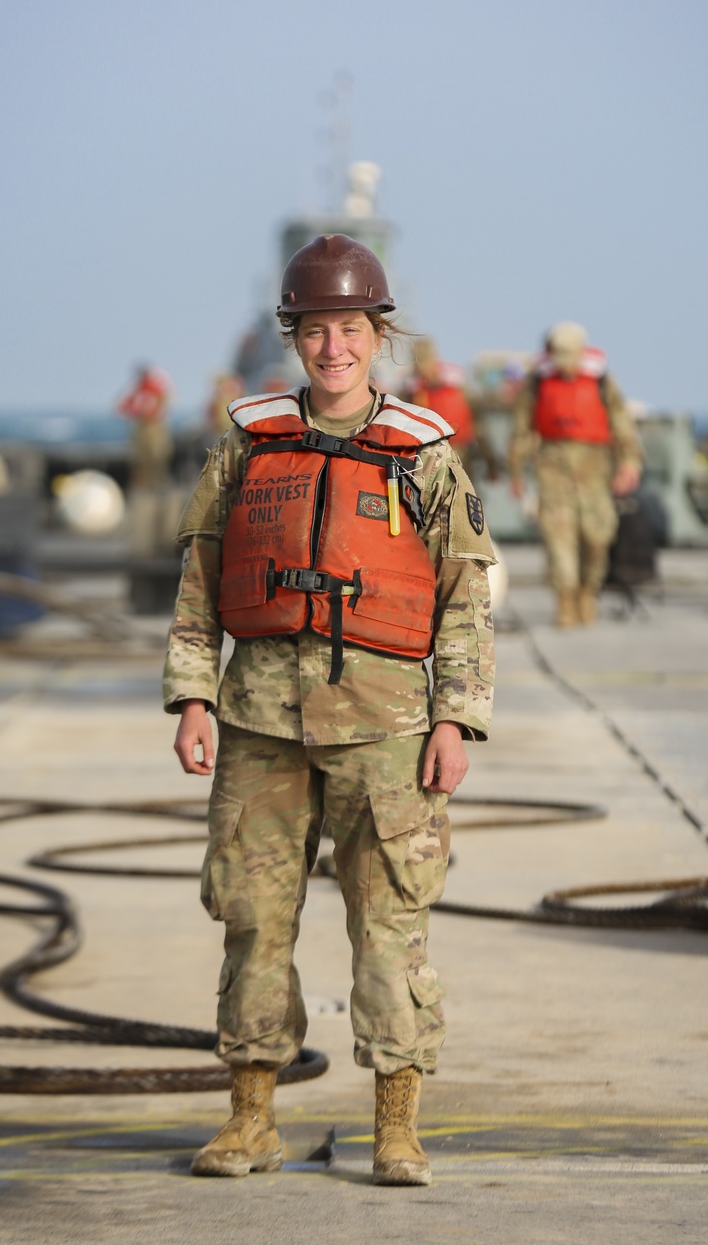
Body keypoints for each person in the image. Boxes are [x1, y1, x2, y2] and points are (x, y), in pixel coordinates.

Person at [164, 233, 495, 1187]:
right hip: (260, 722)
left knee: (391, 924)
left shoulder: (425, 457)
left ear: (377, 336)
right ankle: (251, 1120)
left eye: (350, 328)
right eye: (316, 330)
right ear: (294, 338)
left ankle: (397, 1125)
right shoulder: (248, 443)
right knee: (252, 921)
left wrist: (454, 719)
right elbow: (199, 577)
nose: (333, 348)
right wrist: (192, 696)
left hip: (387, 730)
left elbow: (465, 595)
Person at [508, 322, 642, 628]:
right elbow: (521, 429)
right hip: (553, 467)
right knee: (559, 540)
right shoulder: (538, 382)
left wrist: (629, 464)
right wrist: (516, 471)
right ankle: (565, 602)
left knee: (598, 536)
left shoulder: (602, 381)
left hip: (595, 468)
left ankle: (587, 591)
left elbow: (622, 424)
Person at [403, 338, 500, 482]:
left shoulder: (457, 382)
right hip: (426, 457)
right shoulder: (411, 389)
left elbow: (479, 425)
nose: (422, 369)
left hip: (460, 453)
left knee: (463, 496)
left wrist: (491, 462)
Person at [117, 363, 174, 488]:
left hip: (154, 426)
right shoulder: (137, 390)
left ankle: (159, 482)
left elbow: (166, 401)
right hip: (141, 426)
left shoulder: (155, 388)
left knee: (157, 455)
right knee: (141, 458)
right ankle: (143, 483)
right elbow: (122, 407)